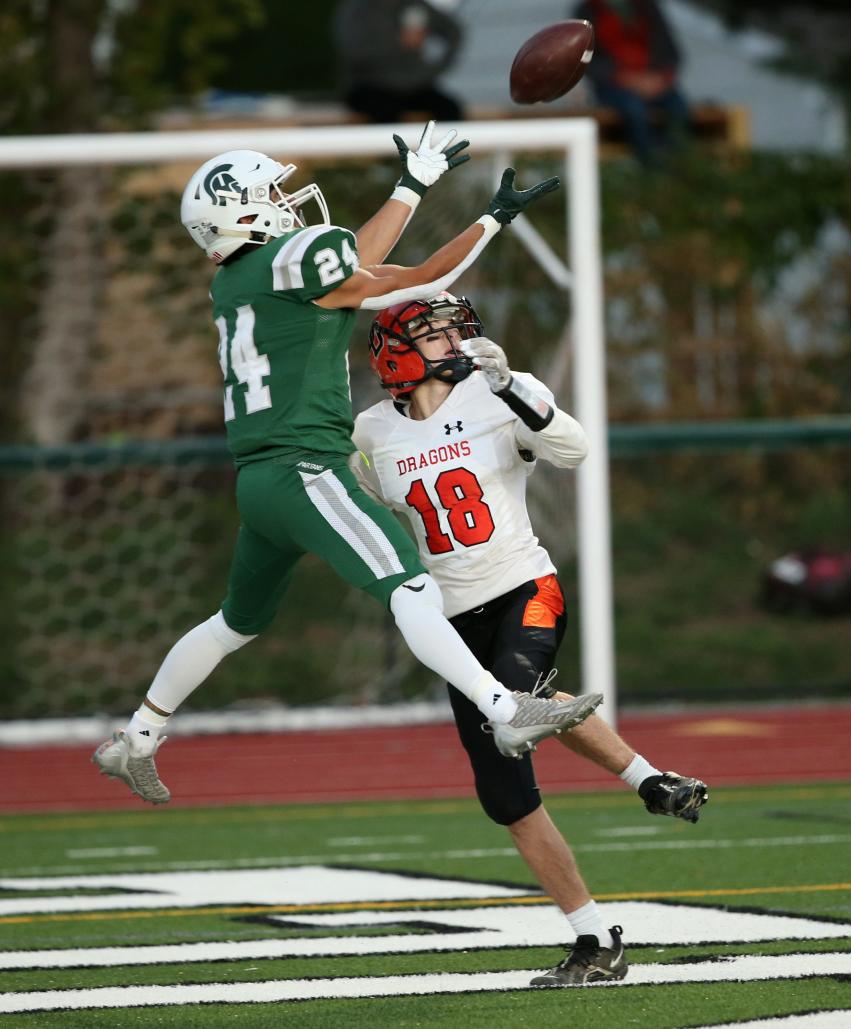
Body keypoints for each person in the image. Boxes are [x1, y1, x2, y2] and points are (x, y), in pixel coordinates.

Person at [92, 122, 604, 806]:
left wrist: (489, 218)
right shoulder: (286, 261)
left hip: (258, 482)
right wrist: (413, 185)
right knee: (412, 587)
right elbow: (367, 256)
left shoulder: (243, 283)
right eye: (270, 191)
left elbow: (420, 279)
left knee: (235, 622)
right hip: (306, 466)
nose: (287, 198)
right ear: (241, 211)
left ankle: (138, 738)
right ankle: (506, 712)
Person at [351, 293, 709, 987]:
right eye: (436, 331)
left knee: (516, 701)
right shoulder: (370, 430)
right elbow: (373, 501)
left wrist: (513, 385)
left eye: (455, 325)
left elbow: (574, 449)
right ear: (397, 352)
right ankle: (600, 926)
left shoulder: (496, 390)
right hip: (447, 624)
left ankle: (637, 777)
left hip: (523, 588)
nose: (457, 337)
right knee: (509, 797)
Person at [572, 0, 688, 164]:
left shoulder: (646, 6)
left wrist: (659, 78)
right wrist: (624, 78)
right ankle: (651, 168)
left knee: (678, 107)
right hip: (614, 87)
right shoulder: (587, 11)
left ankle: (683, 164)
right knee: (634, 112)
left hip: (653, 81)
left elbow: (669, 51)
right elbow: (587, 60)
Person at [335, 1, 464, 124]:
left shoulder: (414, 5)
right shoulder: (358, 9)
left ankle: (437, 147)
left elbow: (454, 32)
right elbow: (353, 51)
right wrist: (397, 42)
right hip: (369, 87)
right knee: (385, 112)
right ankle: (392, 148)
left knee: (449, 109)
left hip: (413, 88)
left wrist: (432, 70)